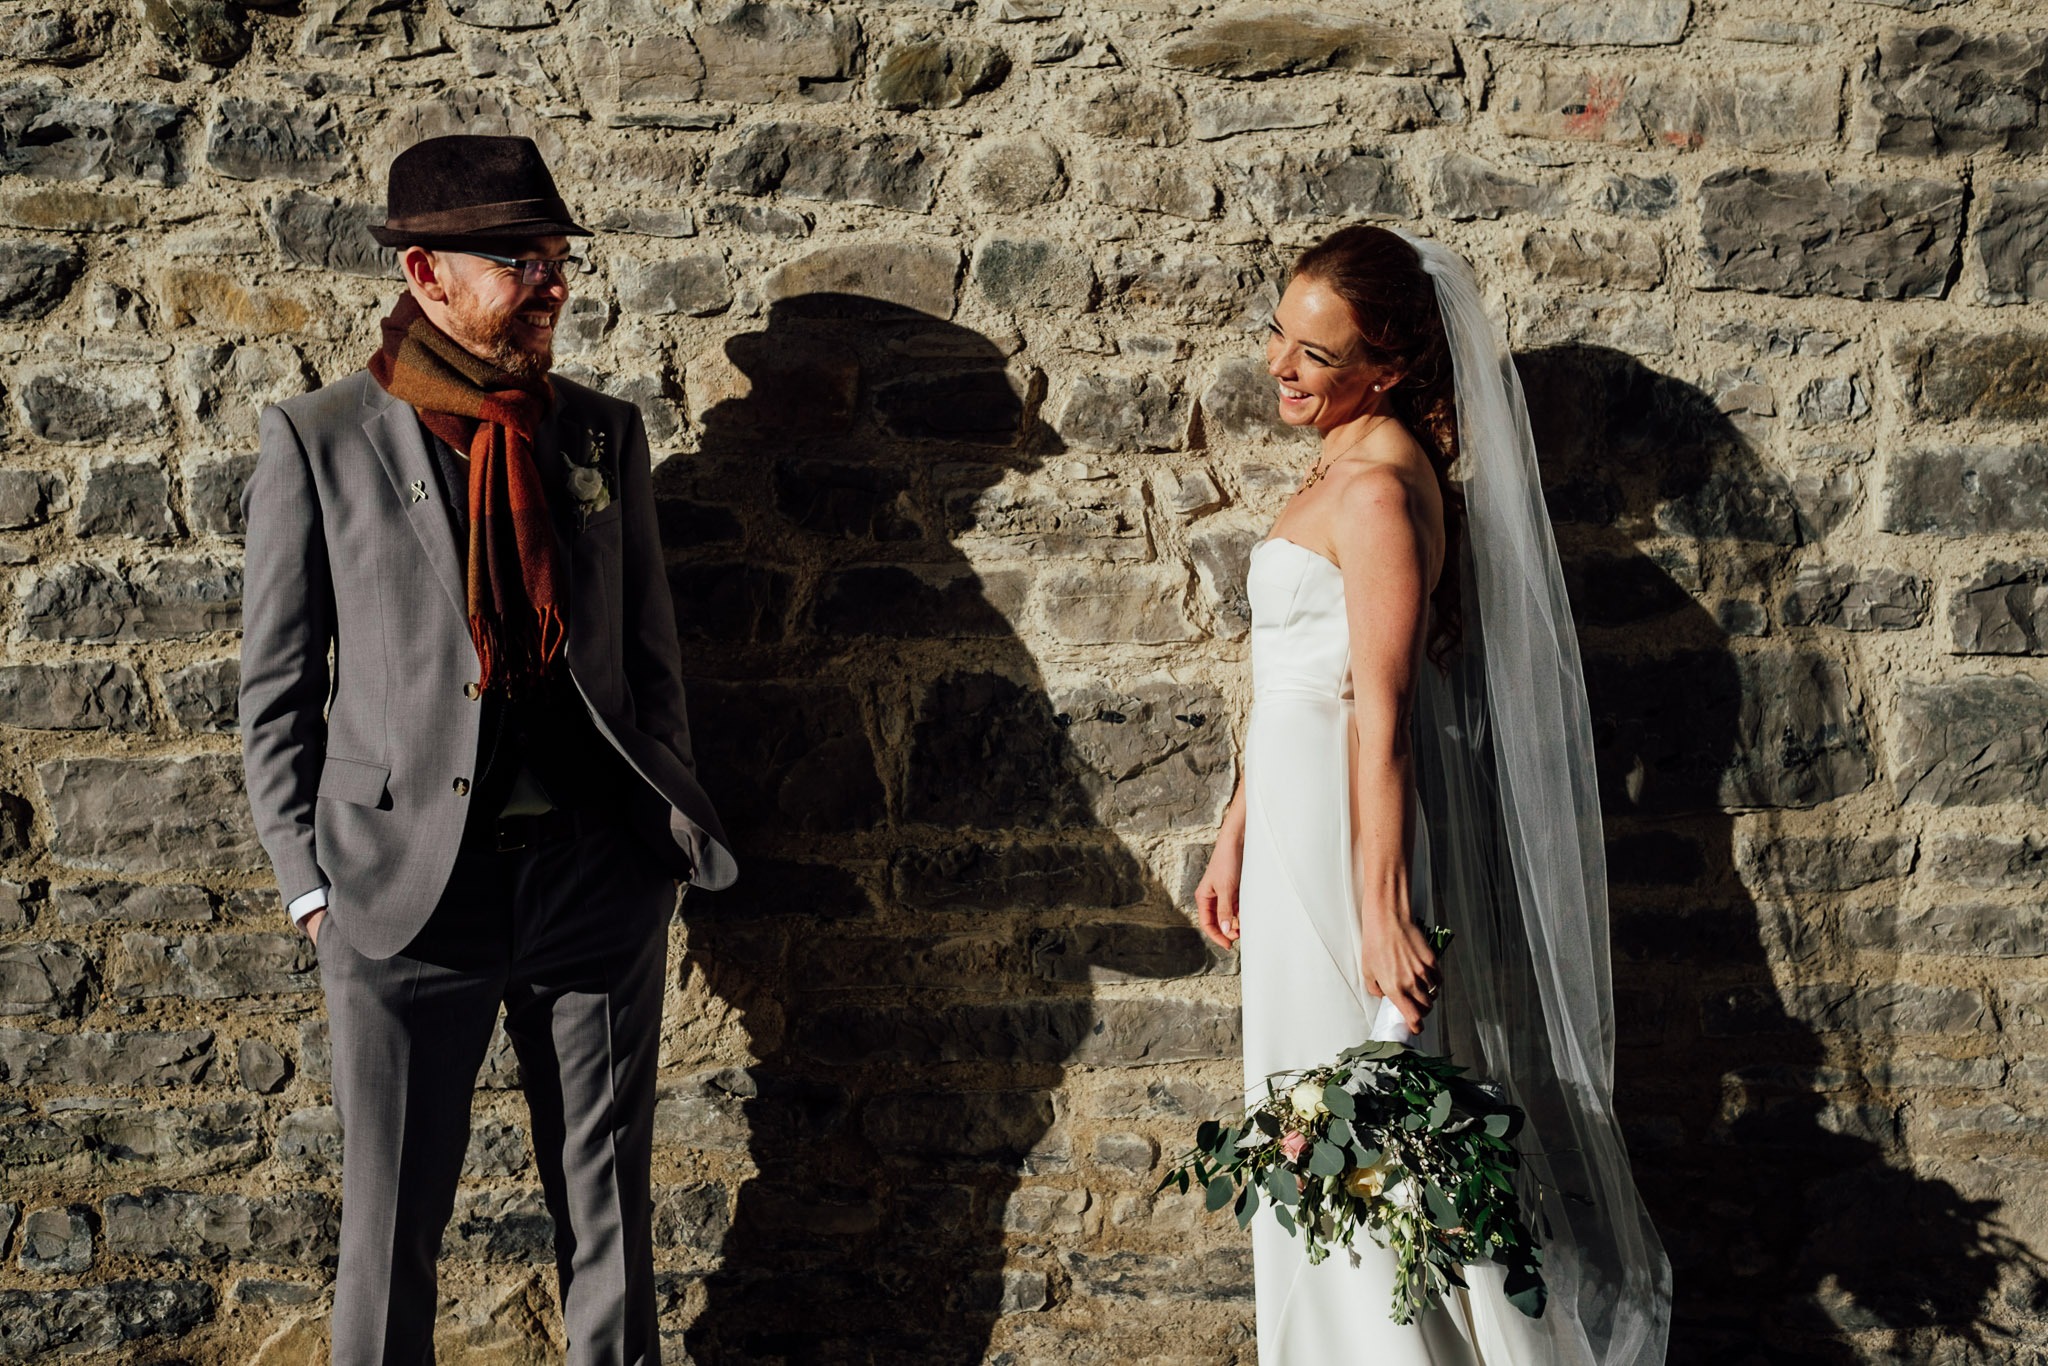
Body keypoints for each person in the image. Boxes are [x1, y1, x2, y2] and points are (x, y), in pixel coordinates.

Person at [239, 133, 735, 1364]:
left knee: (611, 1222)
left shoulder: (598, 435)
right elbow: (278, 690)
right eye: (522, 260)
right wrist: (312, 889)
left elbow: (647, 659)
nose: (554, 283)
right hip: (400, 895)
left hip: (591, 881)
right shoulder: (321, 440)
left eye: (559, 258)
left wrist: (654, 848)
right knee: (391, 1230)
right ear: (426, 271)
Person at [1194, 225, 1671, 1365]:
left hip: (1339, 835)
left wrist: (1380, 905)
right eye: (1278, 333)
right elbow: (1293, 686)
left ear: (1389, 366)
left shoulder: (1371, 491)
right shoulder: (1342, 460)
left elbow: (1382, 713)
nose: (1279, 365)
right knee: (1310, 1113)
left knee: (1346, 1122)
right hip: (1292, 814)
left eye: (1315, 353)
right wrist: (1230, 834)